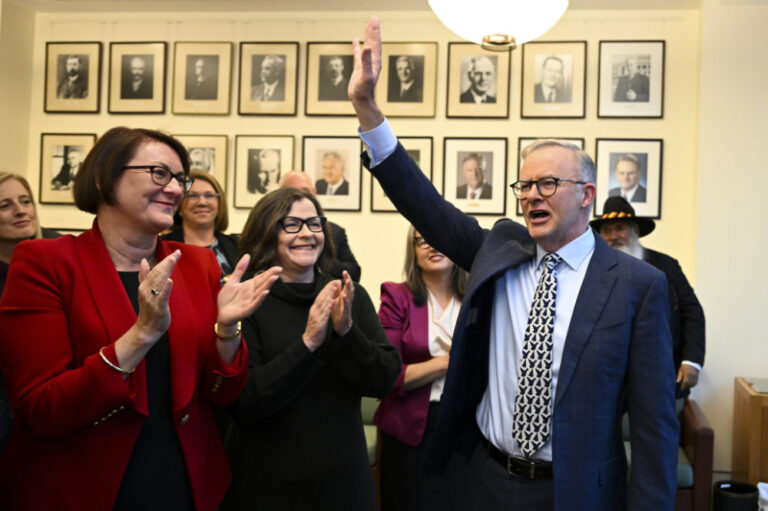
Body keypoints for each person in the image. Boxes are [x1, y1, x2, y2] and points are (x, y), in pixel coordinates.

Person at [348, 17, 678, 510]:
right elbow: (426, 207)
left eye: (548, 184)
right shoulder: (500, 251)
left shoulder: (638, 285)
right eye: (525, 185)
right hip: (487, 482)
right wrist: (367, 108)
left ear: (587, 195)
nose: (531, 196)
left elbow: (654, 426)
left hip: (578, 493)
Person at [0, 127, 281, 510]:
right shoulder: (45, 263)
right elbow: (42, 409)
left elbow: (222, 394)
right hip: (83, 486)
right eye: (159, 173)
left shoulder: (196, 264)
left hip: (184, 481)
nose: (176, 189)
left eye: (180, 178)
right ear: (103, 179)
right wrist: (142, 334)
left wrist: (227, 331)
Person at [221, 187, 400, 510]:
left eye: (314, 223)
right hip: (266, 487)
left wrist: (346, 332)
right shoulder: (247, 300)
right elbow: (246, 401)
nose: (307, 233)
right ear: (267, 231)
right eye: (292, 224)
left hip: (344, 485)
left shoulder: (348, 295)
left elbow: (384, 380)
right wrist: (308, 344)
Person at [375, 225, 467, 511]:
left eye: (440, 237)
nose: (433, 246)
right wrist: (448, 362)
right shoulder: (396, 297)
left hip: (462, 428)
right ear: (413, 252)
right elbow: (389, 375)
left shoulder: (475, 298)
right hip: (409, 431)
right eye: (423, 240)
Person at [591, 196, 705, 398]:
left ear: (635, 230)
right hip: (608, 381)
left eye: (620, 228)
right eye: (606, 231)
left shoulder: (666, 265)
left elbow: (692, 312)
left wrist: (691, 361)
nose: (613, 236)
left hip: (661, 376)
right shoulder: (592, 270)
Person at [0, 172, 60, 455]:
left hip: (59, 400)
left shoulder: (61, 253)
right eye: (5, 205)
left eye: (25, 201)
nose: (20, 210)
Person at [280, 170, 362, 281]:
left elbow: (354, 272)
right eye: (292, 193)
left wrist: (318, 256)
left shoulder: (334, 231)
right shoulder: (269, 229)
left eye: (306, 192)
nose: (300, 198)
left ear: (315, 194)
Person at [162, 171, 238, 284]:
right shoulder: (161, 246)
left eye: (209, 195)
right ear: (179, 204)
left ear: (219, 203)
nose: (202, 202)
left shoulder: (238, 246)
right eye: (192, 195)